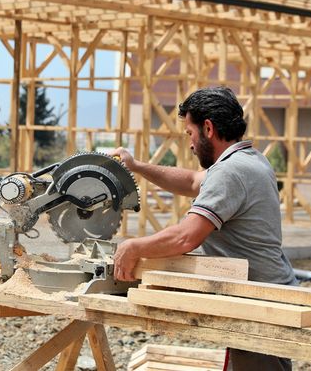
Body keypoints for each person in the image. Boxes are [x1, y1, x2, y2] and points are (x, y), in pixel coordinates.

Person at [111, 86, 296, 371]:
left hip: (259, 306)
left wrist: (133, 246)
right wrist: (136, 166)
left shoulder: (230, 171)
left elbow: (186, 236)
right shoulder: (251, 160)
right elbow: (192, 182)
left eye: (190, 133)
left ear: (208, 128)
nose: (190, 144)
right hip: (269, 297)